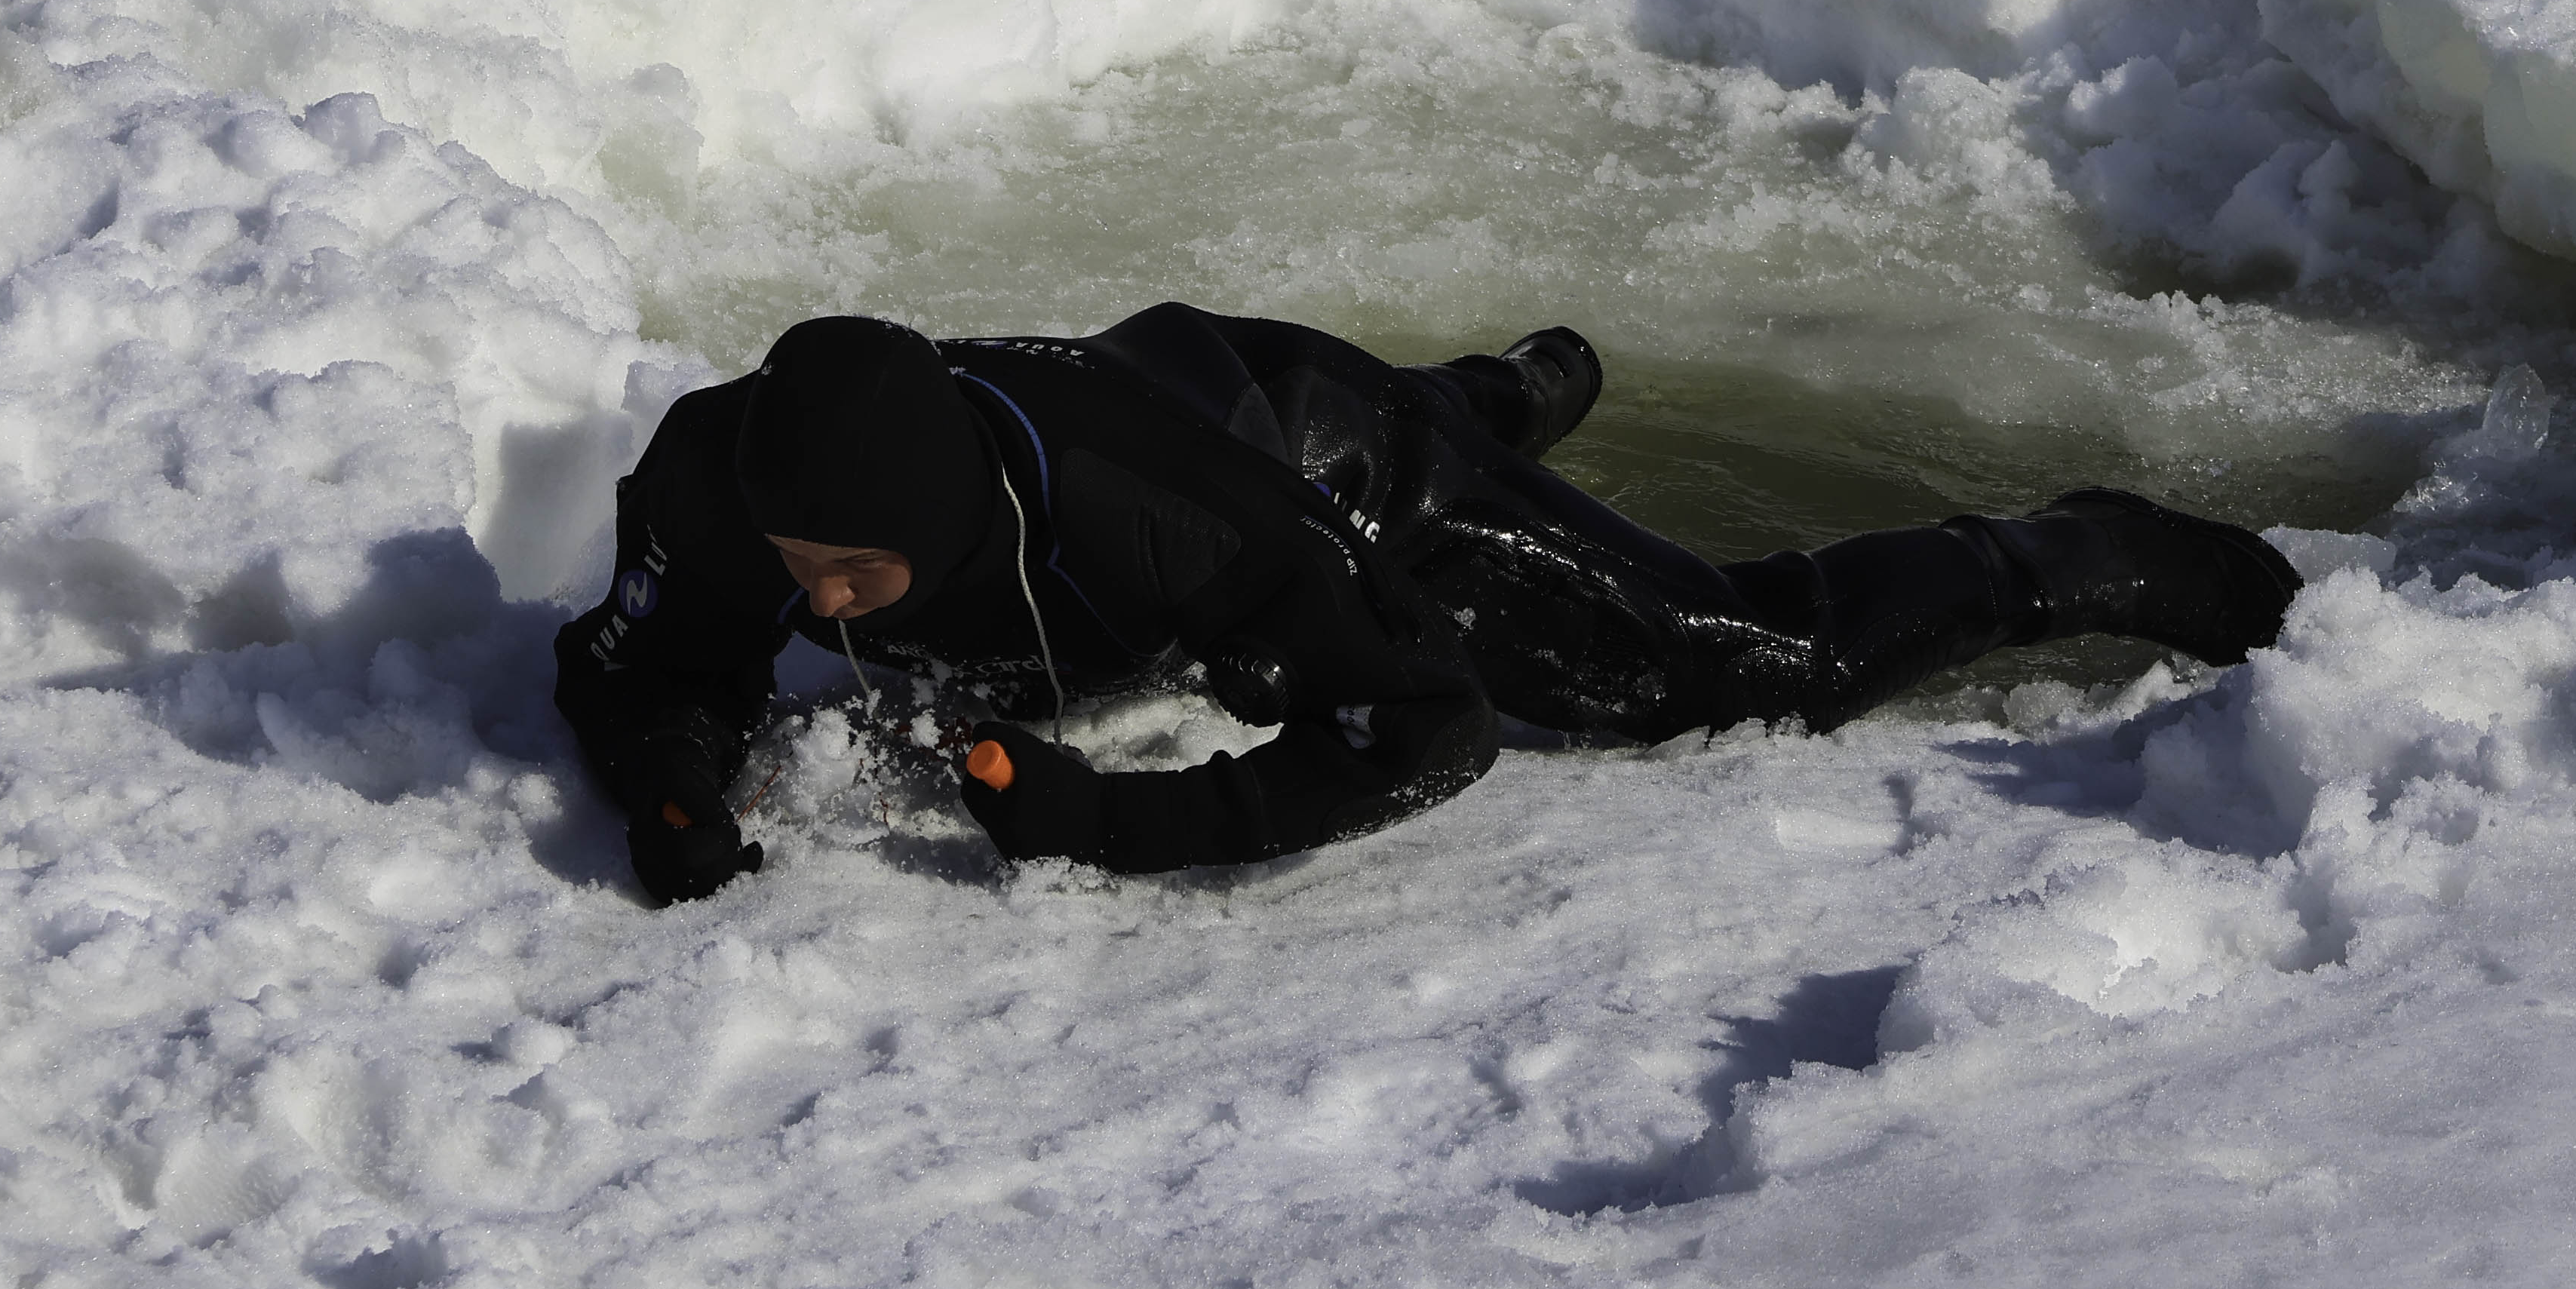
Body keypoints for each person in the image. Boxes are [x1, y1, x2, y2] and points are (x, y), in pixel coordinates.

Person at [553, 304, 2300, 900]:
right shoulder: (734, 485)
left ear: (940, 521)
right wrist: (673, 784)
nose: (824, 608)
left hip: (1315, 464)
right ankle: (1506, 385)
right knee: (1254, 407)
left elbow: (1426, 724)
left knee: (1724, 666)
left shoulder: (1167, 530)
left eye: (855, 578)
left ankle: (2088, 546)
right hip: (1172, 385)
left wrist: (1123, 824)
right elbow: (633, 671)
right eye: (800, 579)